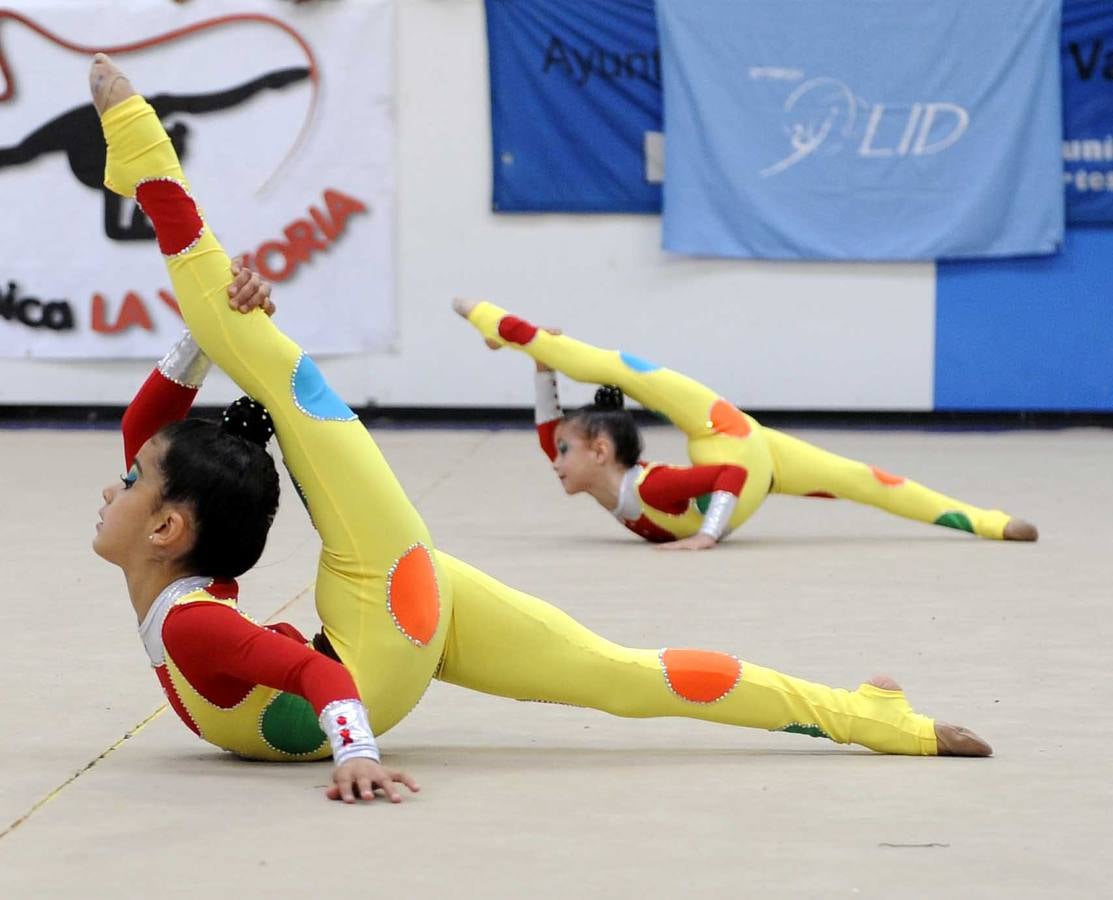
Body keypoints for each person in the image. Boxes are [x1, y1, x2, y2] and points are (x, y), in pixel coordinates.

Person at [89, 54, 993, 808]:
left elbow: (153, 441)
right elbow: (317, 673)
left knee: (623, 674)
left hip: (383, 634)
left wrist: (354, 752)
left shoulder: (183, 604)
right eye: (132, 482)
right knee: (286, 377)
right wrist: (353, 743)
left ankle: (868, 716)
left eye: (131, 482)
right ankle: (145, 162)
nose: (115, 482)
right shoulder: (193, 614)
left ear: (170, 528)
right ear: (170, 529)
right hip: (381, 629)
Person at [452, 299, 1039, 550]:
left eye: (565, 453)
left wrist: (709, 536)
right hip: (754, 455)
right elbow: (548, 433)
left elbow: (729, 474)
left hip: (726, 438)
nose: (553, 461)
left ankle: (500, 321)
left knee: (625, 371)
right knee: (869, 481)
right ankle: (991, 523)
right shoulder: (610, 477)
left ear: (601, 451)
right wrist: (539, 372)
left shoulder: (651, 486)